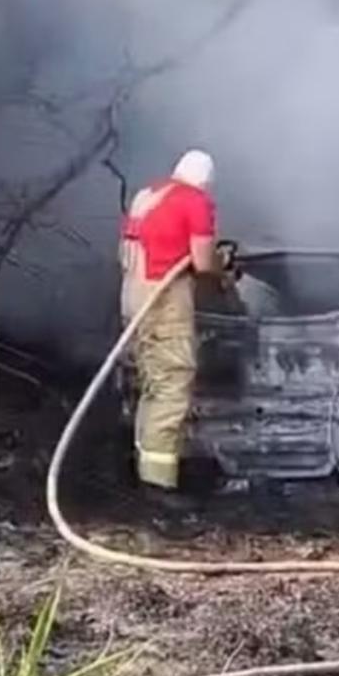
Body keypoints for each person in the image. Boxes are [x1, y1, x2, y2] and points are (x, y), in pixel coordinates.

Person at [118, 149, 228, 500]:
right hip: (164, 301)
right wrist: (221, 268)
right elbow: (202, 260)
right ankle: (158, 485)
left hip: (134, 296)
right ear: (207, 182)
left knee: (152, 382)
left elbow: (127, 250)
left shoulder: (146, 195)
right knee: (171, 385)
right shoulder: (196, 201)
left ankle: (143, 467)